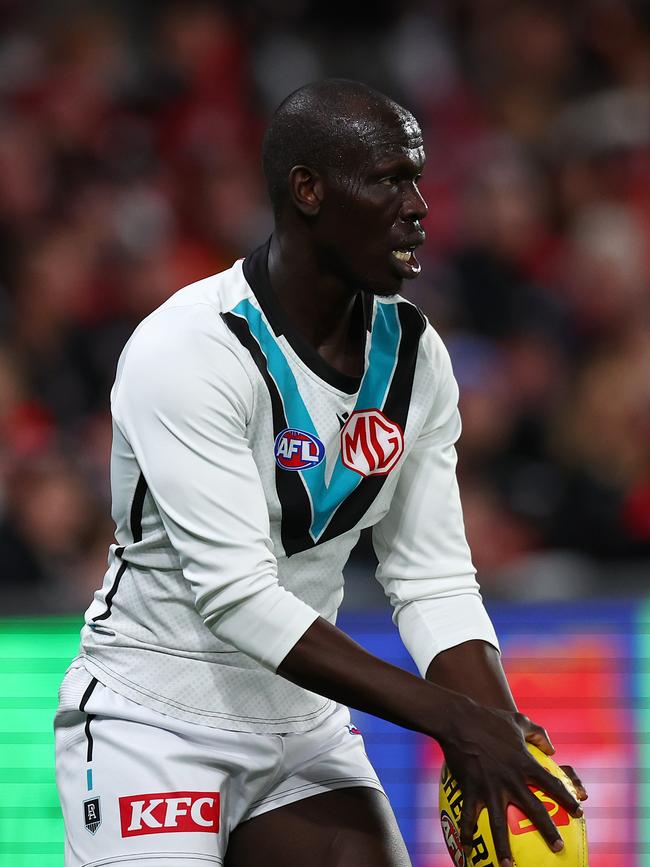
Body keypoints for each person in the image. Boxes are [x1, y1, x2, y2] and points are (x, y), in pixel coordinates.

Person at [54, 78, 585, 867]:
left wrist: (503, 734)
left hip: (301, 727)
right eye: (389, 179)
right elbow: (236, 595)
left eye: (418, 176)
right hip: (152, 717)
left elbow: (431, 576)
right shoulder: (189, 349)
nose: (419, 206)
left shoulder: (416, 357)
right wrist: (450, 719)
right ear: (308, 190)